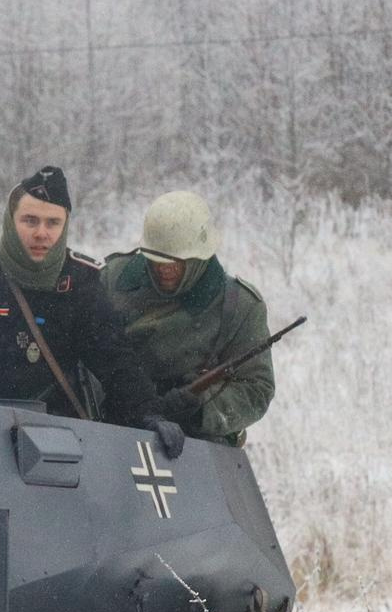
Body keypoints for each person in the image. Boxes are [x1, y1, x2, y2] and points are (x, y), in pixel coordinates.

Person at [0, 165, 165, 436]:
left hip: (51, 434)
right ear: (10, 220)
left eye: (53, 223)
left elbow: (115, 359)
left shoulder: (79, 283)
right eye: (30, 220)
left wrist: (148, 413)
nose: (41, 233)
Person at [104, 190, 275, 444]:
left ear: (199, 257)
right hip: (114, 425)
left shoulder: (239, 306)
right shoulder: (114, 279)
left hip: (199, 443)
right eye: (157, 259)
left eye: (176, 262)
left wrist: (201, 408)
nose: (164, 269)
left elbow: (256, 388)